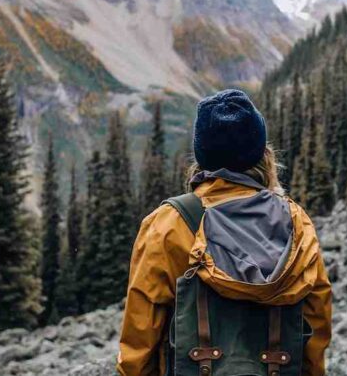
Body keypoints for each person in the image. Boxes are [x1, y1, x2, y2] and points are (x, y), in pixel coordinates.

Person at [118, 89, 332, 376]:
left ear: (202, 156)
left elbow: (141, 335)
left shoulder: (168, 224)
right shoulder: (296, 222)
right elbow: (316, 319)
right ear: (262, 154)